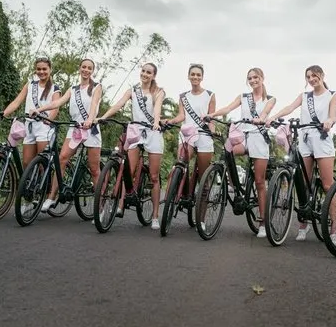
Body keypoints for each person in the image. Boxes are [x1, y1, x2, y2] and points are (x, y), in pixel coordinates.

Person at [266, 65, 336, 244]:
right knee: (303, 185)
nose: (312, 79)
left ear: (322, 75)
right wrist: (272, 117)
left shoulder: (333, 95)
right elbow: (290, 107)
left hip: (322, 139)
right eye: (308, 77)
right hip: (305, 139)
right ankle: (303, 225)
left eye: (314, 75)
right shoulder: (305, 96)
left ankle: (335, 227)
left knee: (328, 185)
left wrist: (329, 121)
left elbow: (333, 115)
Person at [205, 68, 276, 238]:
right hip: (243, 137)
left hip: (258, 137)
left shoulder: (270, 99)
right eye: (250, 78)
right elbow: (228, 108)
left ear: (262, 78)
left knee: (259, 181)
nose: (253, 80)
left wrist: (261, 118)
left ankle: (263, 222)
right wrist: (212, 114)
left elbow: (266, 112)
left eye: (256, 77)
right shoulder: (243, 97)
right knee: (227, 150)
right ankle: (234, 185)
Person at [97, 63, 165, 229]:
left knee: (154, 177)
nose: (145, 74)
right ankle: (119, 204)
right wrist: (103, 116)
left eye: (149, 72)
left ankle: (155, 216)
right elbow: (118, 104)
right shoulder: (132, 90)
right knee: (128, 170)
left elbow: (157, 108)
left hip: (152, 131)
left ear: (154, 75)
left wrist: (156, 122)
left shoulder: (158, 91)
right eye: (143, 71)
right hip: (135, 131)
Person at [32, 58, 103, 218]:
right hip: (75, 128)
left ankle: (101, 206)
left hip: (90, 129)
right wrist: (40, 109)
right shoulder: (73, 88)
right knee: (62, 159)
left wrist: (90, 119)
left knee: (94, 169)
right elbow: (58, 102)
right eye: (83, 67)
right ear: (80, 68)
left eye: (89, 68)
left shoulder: (96, 87)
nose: (86, 70)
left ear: (93, 71)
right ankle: (51, 197)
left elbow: (93, 105)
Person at [0, 56, 62, 212]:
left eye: (44, 69)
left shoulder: (55, 88)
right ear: (36, 69)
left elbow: (55, 108)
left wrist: (49, 119)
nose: (41, 71)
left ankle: (45, 193)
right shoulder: (31, 84)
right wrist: (4, 113)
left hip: (44, 126)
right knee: (27, 163)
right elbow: (17, 101)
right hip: (29, 125)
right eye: (39, 69)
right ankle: (28, 199)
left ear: (50, 70)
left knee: (42, 163)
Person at [162, 63, 216, 203]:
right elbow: (181, 116)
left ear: (202, 77)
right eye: (193, 74)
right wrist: (172, 120)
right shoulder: (183, 96)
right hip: (187, 133)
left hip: (204, 135)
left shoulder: (210, 95)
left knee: (203, 178)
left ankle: (202, 218)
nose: (195, 77)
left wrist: (213, 132)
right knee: (181, 163)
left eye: (198, 74)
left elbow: (212, 118)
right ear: (188, 76)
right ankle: (181, 193)